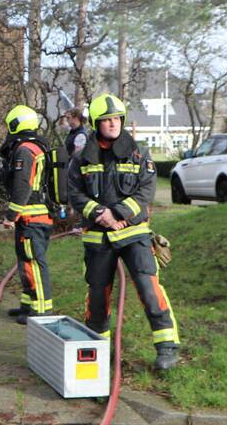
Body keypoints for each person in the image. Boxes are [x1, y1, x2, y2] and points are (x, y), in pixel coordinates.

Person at [66, 93, 181, 370]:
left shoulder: (139, 153)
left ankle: (167, 347)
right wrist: (100, 214)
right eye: (107, 120)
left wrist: (116, 213)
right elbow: (75, 194)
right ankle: (98, 348)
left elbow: (146, 191)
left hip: (134, 234)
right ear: (96, 123)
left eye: (117, 118)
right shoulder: (81, 159)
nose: (113, 123)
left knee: (148, 288)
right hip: (98, 237)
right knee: (97, 295)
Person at [0, 105, 54, 324]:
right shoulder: (38, 146)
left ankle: (41, 310)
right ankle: (27, 305)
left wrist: (11, 215)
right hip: (36, 215)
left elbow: (23, 186)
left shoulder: (25, 150)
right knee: (26, 262)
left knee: (33, 263)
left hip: (31, 217)